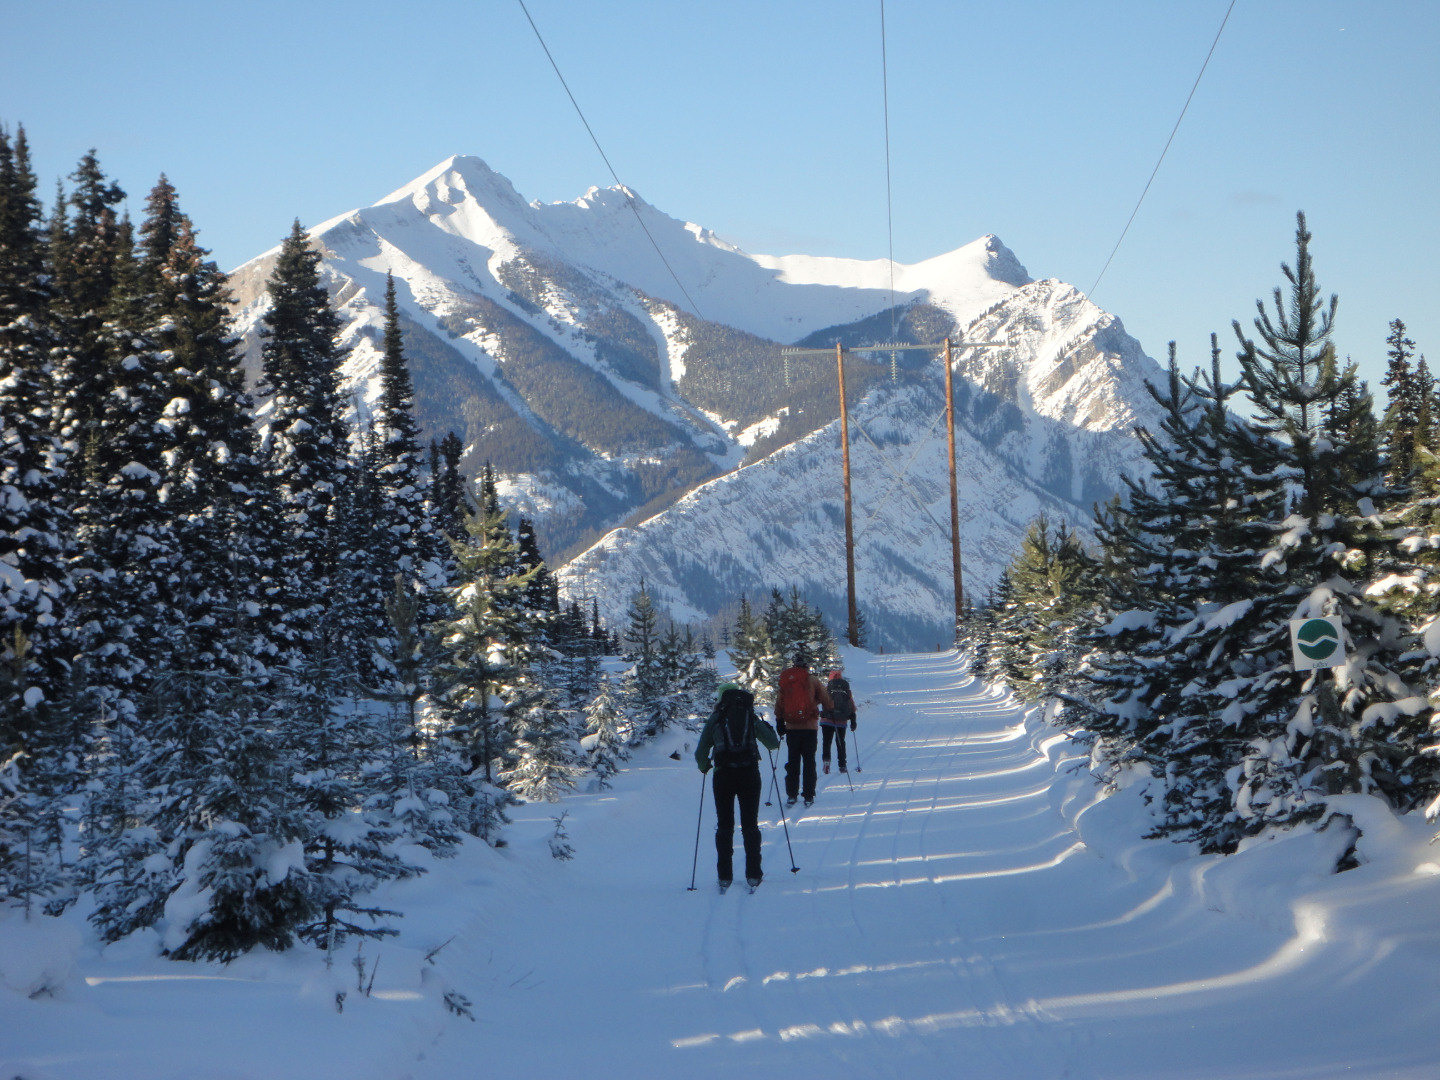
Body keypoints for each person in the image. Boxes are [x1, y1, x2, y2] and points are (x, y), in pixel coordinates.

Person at [695, 682, 780, 890]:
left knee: (725, 825)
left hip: (723, 776)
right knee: (750, 824)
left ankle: (725, 876)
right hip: (749, 774)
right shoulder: (750, 717)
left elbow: (700, 752)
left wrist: (705, 766)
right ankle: (754, 874)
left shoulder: (715, 718)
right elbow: (773, 743)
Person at [774, 653, 832, 808]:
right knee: (809, 761)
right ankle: (808, 795)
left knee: (793, 761)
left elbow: (780, 702)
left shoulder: (787, 680)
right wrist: (826, 707)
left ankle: (791, 795)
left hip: (791, 727)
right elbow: (826, 700)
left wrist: (779, 721)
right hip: (809, 727)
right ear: (807, 666)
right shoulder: (812, 680)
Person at [820, 668, 857, 774]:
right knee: (840, 742)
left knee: (827, 742)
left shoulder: (826, 688)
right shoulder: (846, 690)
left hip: (827, 719)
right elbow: (851, 705)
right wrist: (853, 719)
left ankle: (826, 762)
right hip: (841, 720)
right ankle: (842, 765)